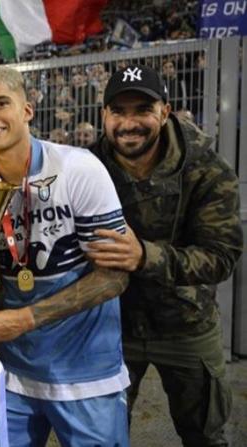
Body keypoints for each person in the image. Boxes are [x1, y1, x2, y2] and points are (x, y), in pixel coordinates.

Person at [0, 66, 130, 446]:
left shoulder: (78, 168)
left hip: (86, 373)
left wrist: (25, 318)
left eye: (1, 103)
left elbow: (114, 277)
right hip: (14, 371)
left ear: (27, 111)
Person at [87, 64, 243, 446]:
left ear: (165, 111)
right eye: (118, 111)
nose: (129, 123)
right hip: (113, 325)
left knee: (205, 434)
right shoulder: (87, 168)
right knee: (101, 435)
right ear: (104, 115)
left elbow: (221, 256)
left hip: (186, 323)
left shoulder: (206, 169)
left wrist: (145, 256)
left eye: (142, 110)